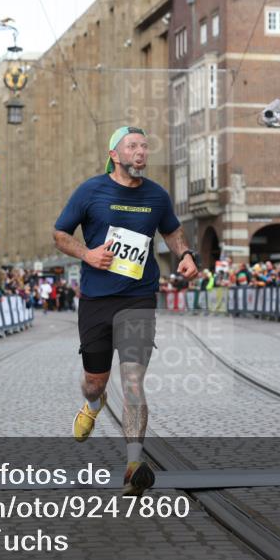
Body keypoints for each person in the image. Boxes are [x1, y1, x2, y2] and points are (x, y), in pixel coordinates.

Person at [53, 125, 197, 496]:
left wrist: (184, 255)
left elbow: (172, 231)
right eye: (132, 146)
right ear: (114, 155)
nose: (140, 152)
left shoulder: (156, 195)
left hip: (139, 298)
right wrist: (87, 253)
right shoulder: (91, 191)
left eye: (145, 146)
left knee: (133, 381)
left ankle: (134, 464)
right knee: (94, 381)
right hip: (97, 300)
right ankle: (94, 402)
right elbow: (60, 233)